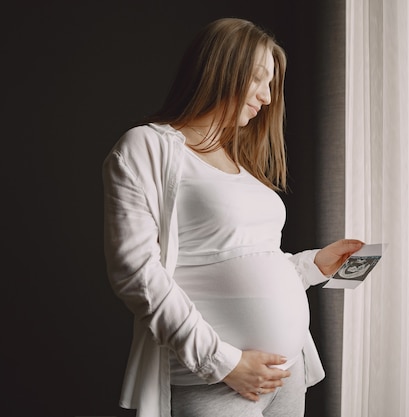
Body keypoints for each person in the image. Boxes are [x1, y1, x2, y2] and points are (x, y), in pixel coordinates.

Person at [102, 17, 364, 417]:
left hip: (286, 374)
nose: (267, 96)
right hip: (215, 380)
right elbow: (136, 273)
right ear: (220, 68)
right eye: (259, 79)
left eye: (272, 84)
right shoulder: (147, 147)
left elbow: (246, 257)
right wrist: (223, 363)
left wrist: (314, 266)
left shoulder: (239, 162)